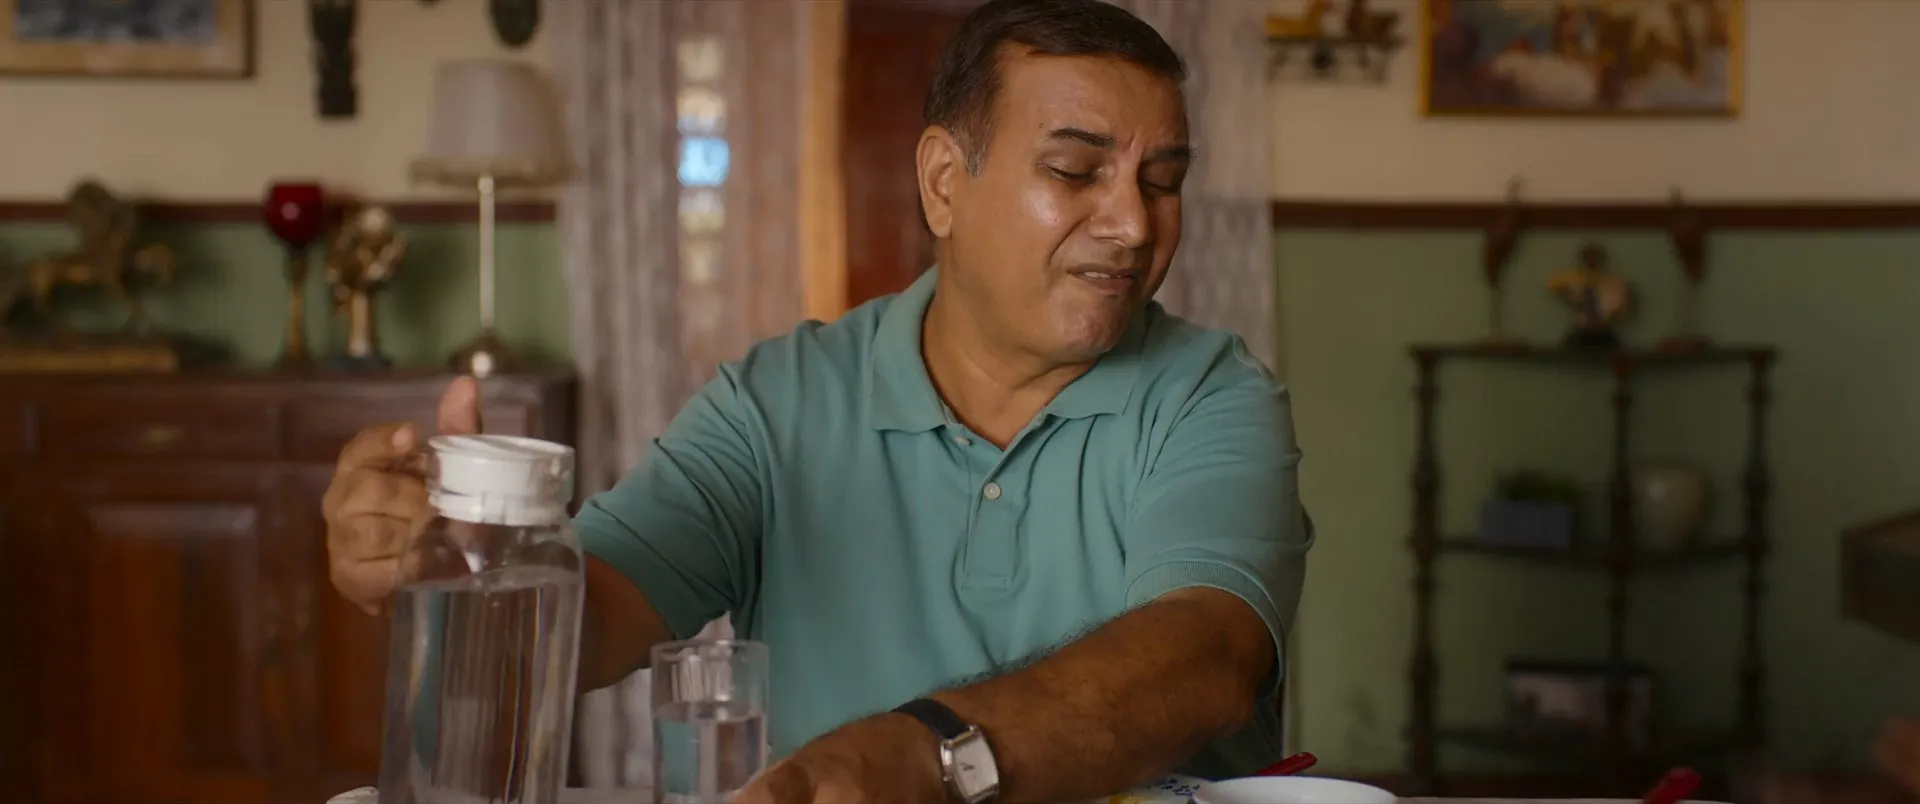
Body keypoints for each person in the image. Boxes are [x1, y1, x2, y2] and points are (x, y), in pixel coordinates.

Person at [322, 1, 1313, 802]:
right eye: (1076, 171)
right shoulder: (776, 405)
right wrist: (463, 564)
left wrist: (927, 756)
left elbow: (1206, 658)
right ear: (943, 183)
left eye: (1163, 181)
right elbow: (594, 620)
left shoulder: (1214, 395)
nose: (1133, 222)